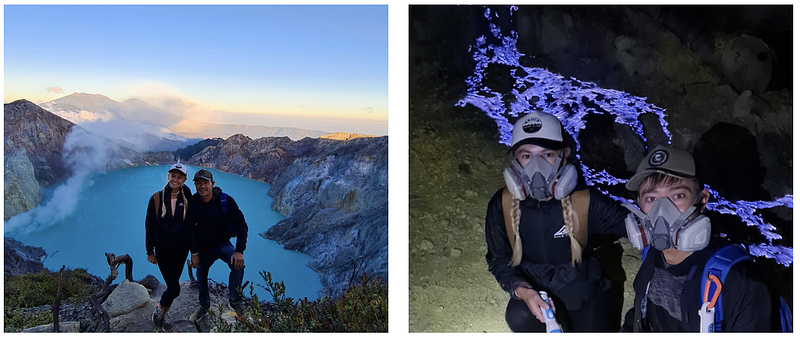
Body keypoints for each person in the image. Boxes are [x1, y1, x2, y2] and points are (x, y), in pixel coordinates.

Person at [485, 110, 630, 332]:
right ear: (515, 160)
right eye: (526, 156)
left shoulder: (585, 202)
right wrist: (523, 289)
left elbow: (636, 229)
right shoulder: (502, 204)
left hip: (583, 291)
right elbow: (498, 260)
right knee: (519, 317)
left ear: (564, 154)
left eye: (547, 155)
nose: (537, 166)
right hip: (536, 291)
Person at [620, 144, 773, 332]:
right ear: (639, 205)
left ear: (702, 201)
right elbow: (639, 316)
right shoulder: (650, 253)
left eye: (677, 195)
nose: (662, 211)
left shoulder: (739, 280)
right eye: (651, 198)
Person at [188, 168, 249, 322]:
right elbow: (190, 230)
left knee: (238, 264)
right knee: (201, 277)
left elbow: (241, 225)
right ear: (195, 185)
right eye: (198, 183)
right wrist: (194, 253)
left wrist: (239, 250)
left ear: (212, 183)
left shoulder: (225, 200)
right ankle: (204, 306)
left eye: (205, 183)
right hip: (203, 249)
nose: (202, 186)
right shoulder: (193, 203)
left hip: (223, 245)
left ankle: (235, 301)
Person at [145, 162, 195, 332]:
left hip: (181, 251)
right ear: (169, 176)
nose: (175, 179)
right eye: (173, 176)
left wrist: (194, 251)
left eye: (179, 177)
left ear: (184, 180)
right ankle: (160, 307)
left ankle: (165, 313)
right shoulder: (156, 198)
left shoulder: (187, 199)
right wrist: (149, 251)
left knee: (172, 285)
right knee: (174, 287)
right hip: (163, 250)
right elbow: (150, 225)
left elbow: (190, 227)